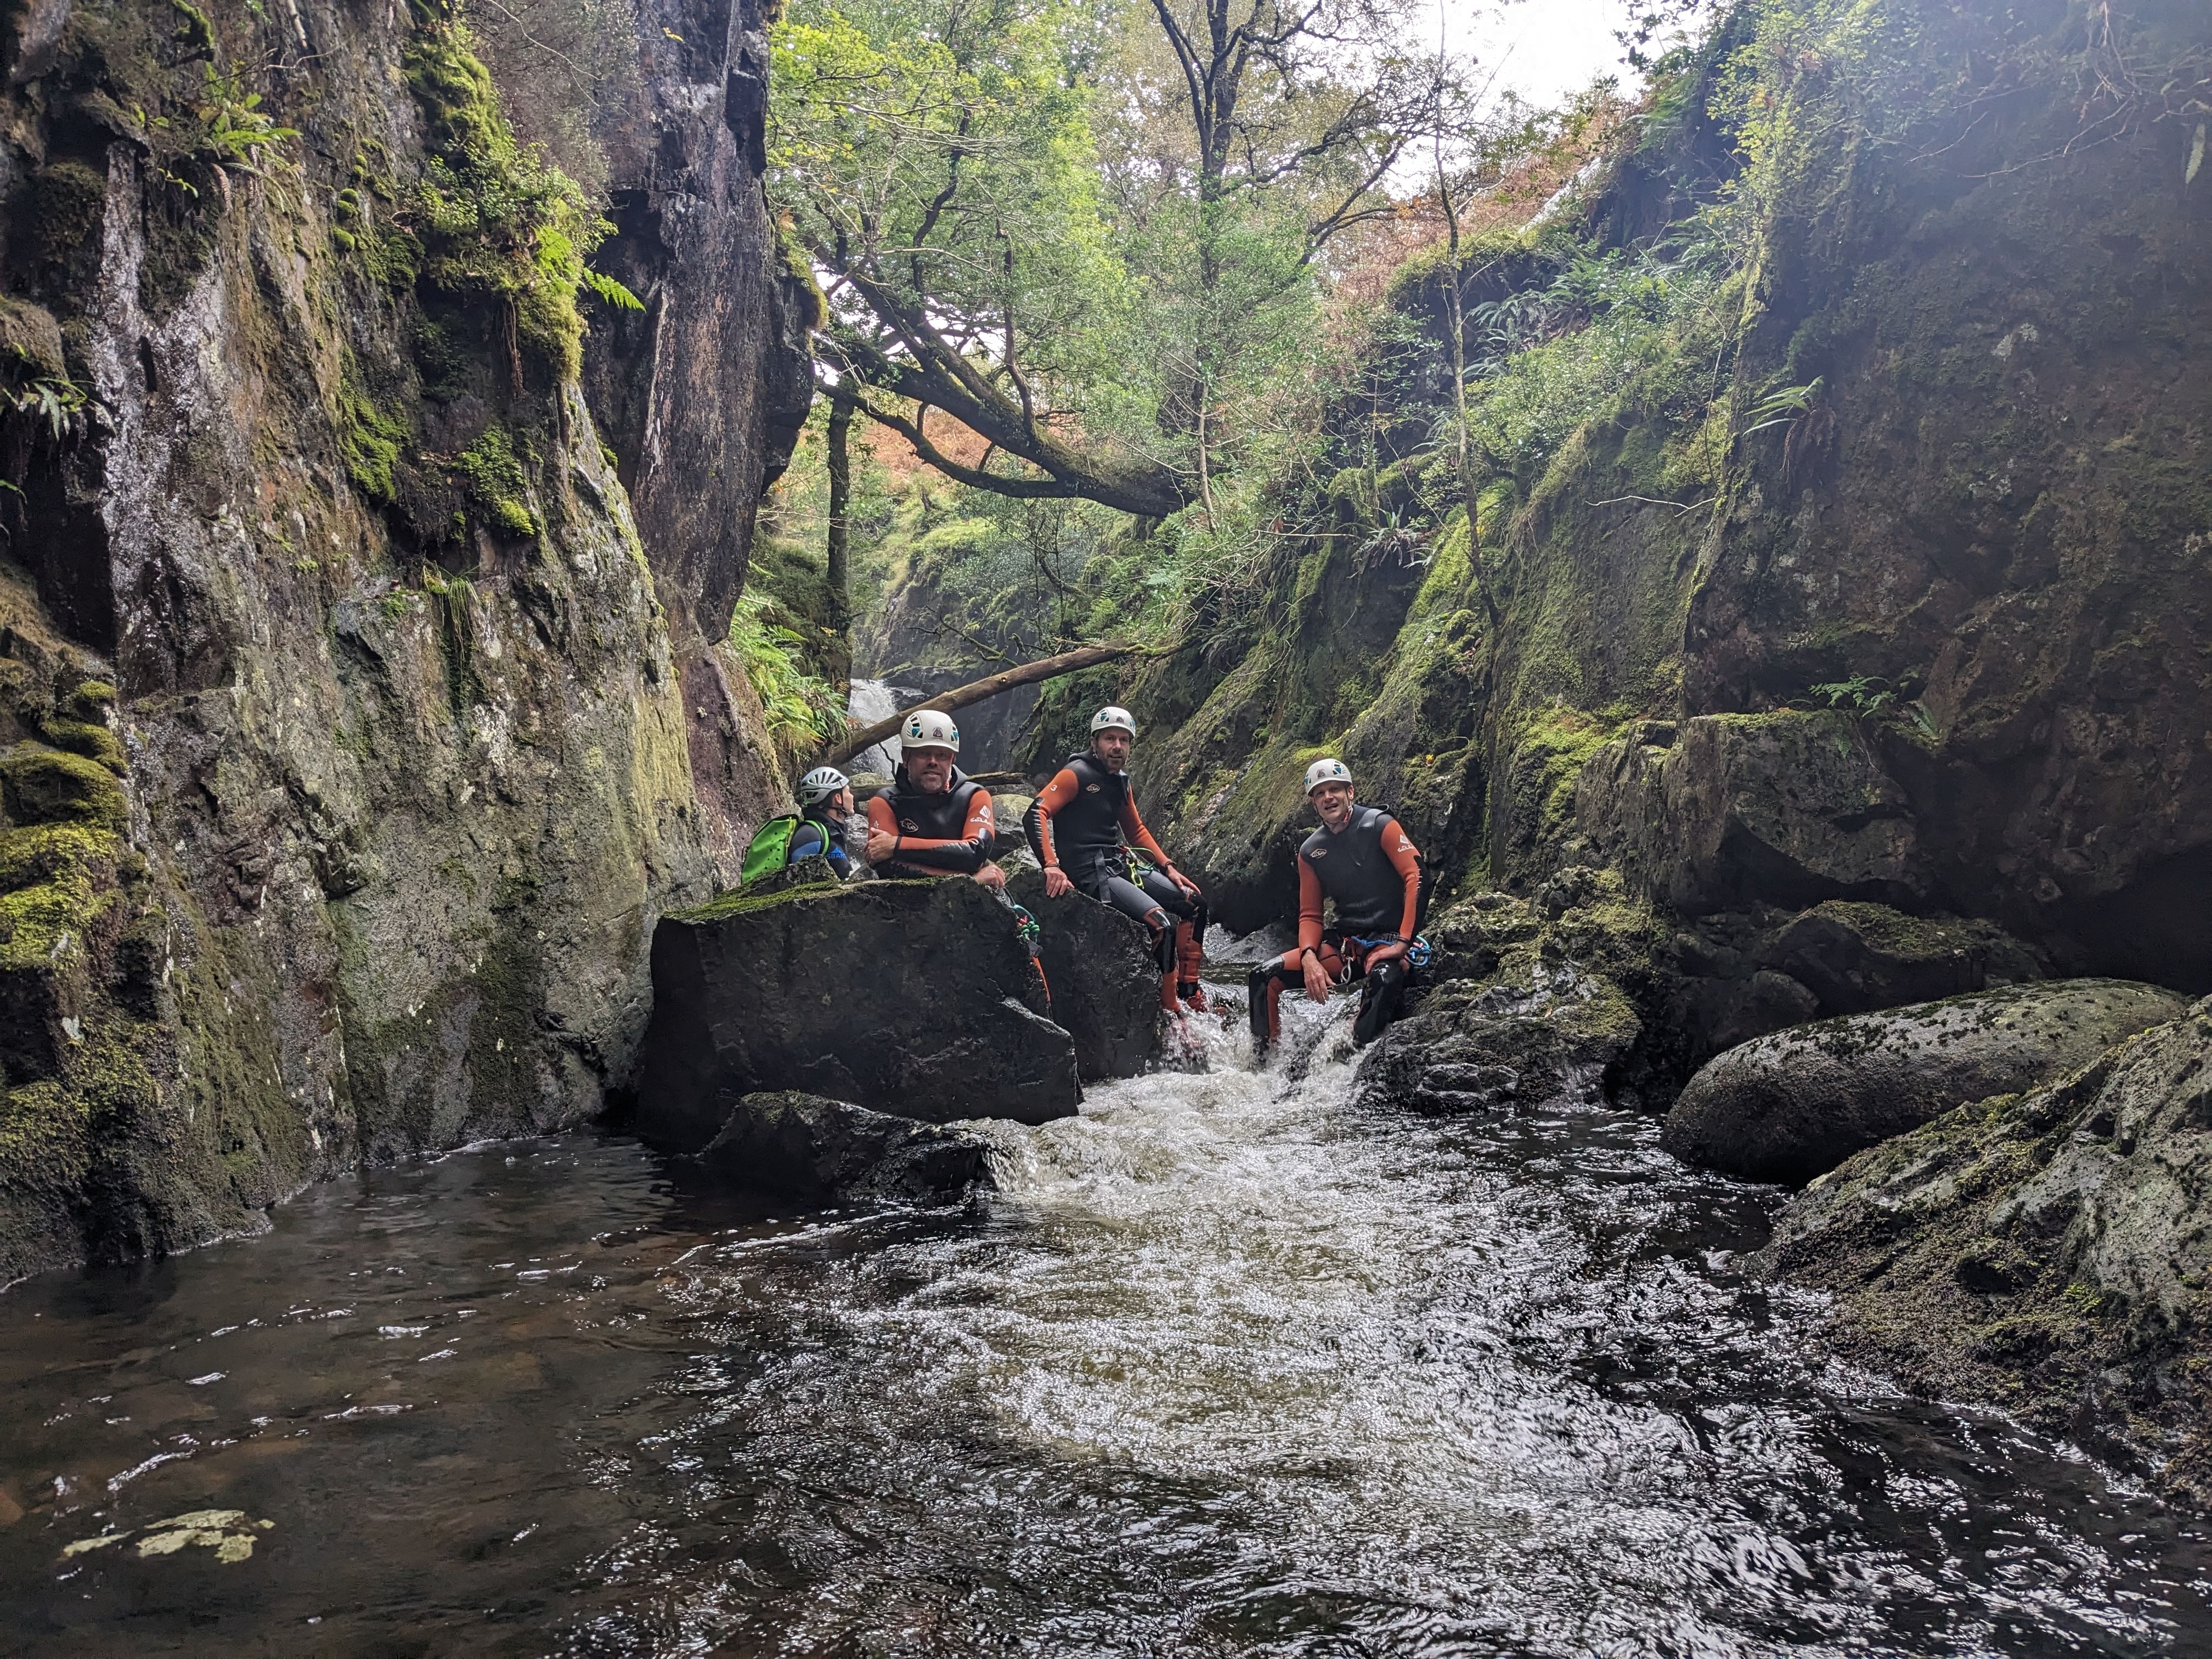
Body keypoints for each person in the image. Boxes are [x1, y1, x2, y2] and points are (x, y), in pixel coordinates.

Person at [1025, 706, 1210, 1013]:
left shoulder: (1121, 781)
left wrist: (1168, 867)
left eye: (1124, 740)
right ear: (1094, 742)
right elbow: (1036, 812)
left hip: (1117, 863)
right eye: (1110, 739)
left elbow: (1136, 831)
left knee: (1195, 903)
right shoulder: (1075, 774)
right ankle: (1170, 1010)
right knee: (1161, 925)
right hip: (1089, 871)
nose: (1117, 747)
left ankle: (1189, 991)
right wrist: (1052, 866)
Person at [1248, 758, 1422, 1056]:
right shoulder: (1310, 851)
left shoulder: (1380, 825)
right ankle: (1265, 1063)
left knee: (1383, 980)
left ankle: (1349, 1055)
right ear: (1313, 803)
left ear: (1350, 792)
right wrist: (1308, 957)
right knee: (1262, 978)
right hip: (1348, 945)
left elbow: (1416, 876)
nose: (1328, 797)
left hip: (1390, 940)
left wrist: (1403, 942)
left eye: (1335, 790)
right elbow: (1310, 914)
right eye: (1320, 793)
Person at [863, 709, 1003, 889]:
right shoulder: (885, 802)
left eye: (942, 755)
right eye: (924, 753)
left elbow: (976, 853)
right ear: (906, 757)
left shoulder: (974, 796)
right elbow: (886, 868)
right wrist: (970, 880)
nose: (933, 762)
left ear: (952, 759)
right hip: (909, 901)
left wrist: (896, 845)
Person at [788, 766, 854, 878]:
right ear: (838, 798)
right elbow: (795, 880)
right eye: (848, 792)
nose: (852, 796)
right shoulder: (811, 835)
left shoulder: (833, 832)